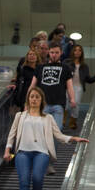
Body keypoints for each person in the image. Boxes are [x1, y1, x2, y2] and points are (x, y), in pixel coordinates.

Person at [4, 86, 88, 190]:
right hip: (22, 152)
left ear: (42, 100)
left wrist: (73, 138)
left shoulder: (48, 118)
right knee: (24, 180)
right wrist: (7, 150)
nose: (34, 99)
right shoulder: (20, 116)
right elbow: (12, 135)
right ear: (28, 99)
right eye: (32, 97)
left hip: (41, 152)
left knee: (37, 178)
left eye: (37, 97)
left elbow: (58, 135)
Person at [28, 41, 75, 171]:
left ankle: (49, 160)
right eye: (52, 52)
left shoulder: (66, 68)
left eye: (57, 52)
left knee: (56, 131)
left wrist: (72, 98)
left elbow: (69, 86)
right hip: (43, 105)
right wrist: (27, 101)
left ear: (61, 53)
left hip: (58, 105)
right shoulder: (40, 68)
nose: (54, 55)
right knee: (40, 132)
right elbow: (33, 86)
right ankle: (42, 160)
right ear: (49, 52)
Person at [65, 43, 95, 129]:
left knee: (76, 104)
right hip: (67, 86)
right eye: (75, 50)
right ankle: (62, 121)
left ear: (81, 53)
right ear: (73, 52)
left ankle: (72, 122)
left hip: (79, 87)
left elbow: (88, 79)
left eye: (79, 50)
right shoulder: (67, 63)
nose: (77, 52)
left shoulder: (84, 66)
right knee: (65, 103)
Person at [8, 43, 40, 112]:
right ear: (27, 57)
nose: (31, 56)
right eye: (30, 54)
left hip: (36, 96)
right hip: (24, 96)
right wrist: (14, 85)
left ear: (37, 57)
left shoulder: (39, 69)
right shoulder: (23, 69)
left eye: (34, 54)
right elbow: (18, 82)